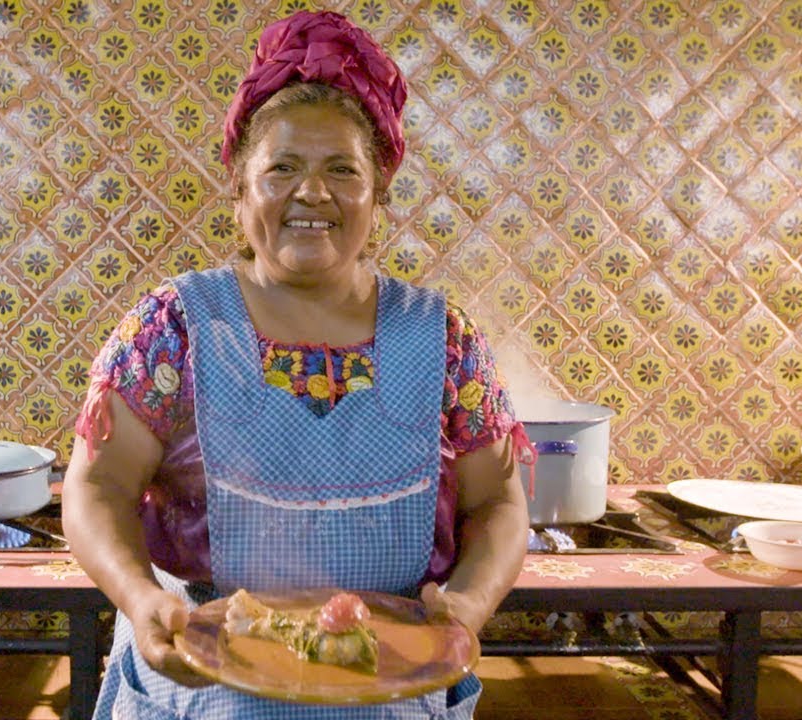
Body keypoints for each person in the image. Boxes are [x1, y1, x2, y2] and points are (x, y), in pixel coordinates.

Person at [62, 10, 531, 719]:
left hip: (390, 686)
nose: (312, 193)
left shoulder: (444, 340)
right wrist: (139, 597)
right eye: (282, 168)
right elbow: (98, 485)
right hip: (200, 683)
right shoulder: (174, 329)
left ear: (378, 192)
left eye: (342, 170)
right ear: (240, 187)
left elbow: (497, 500)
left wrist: (468, 603)